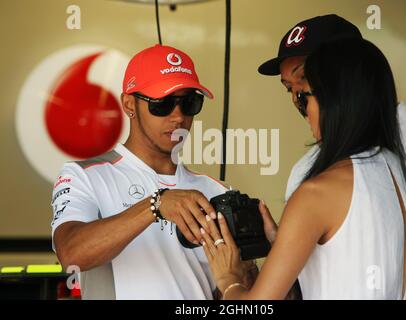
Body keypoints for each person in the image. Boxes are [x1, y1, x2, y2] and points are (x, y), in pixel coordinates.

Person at [200, 36, 406, 299]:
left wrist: (229, 279)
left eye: (304, 97)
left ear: (334, 101)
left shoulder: (317, 193)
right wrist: (288, 246)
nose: (301, 108)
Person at [260, 14, 406, 300]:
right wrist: (286, 247)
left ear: (344, 75)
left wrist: (230, 280)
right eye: (290, 88)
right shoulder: (403, 173)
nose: (297, 97)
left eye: (305, 79)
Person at [50, 44, 255, 299]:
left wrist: (254, 264)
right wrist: (155, 205)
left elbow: (233, 290)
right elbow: (71, 254)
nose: (178, 116)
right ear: (129, 104)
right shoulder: (84, 175)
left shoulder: (216, 191)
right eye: (163, 104)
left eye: (189, 103)